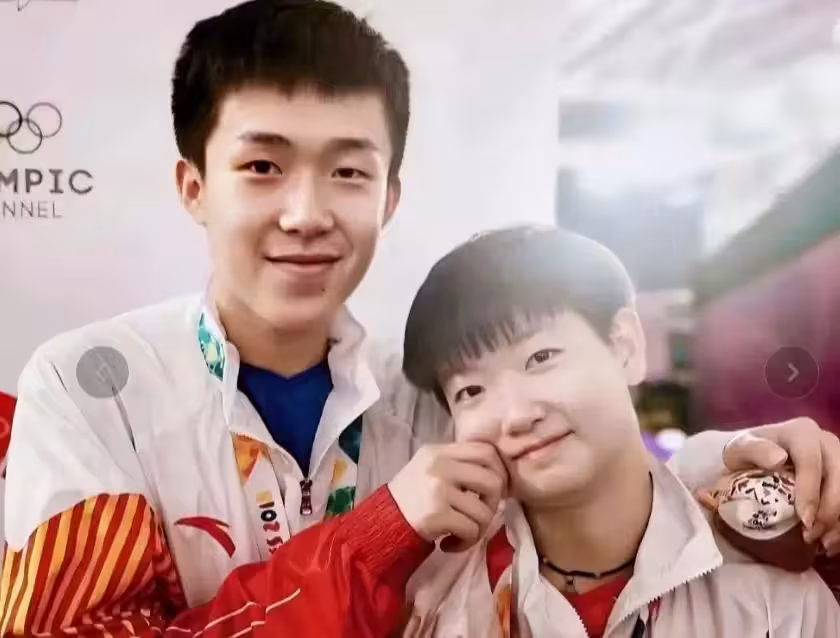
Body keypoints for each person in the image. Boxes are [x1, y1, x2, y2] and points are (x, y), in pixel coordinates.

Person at [2, 1, 840, 636]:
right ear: (194, 187)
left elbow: (599, 494)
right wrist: (381, 532)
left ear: (389, 198)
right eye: (262, 166)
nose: (306, 213)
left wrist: (752, 473)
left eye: (348, 173)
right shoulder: (93, 390)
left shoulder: (433, 393)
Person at [397, 226, 840, 637]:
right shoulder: (435, 603)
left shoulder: (773, 596)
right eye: (471, 390)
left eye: (541, 357)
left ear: (625, 347)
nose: (515, 416)